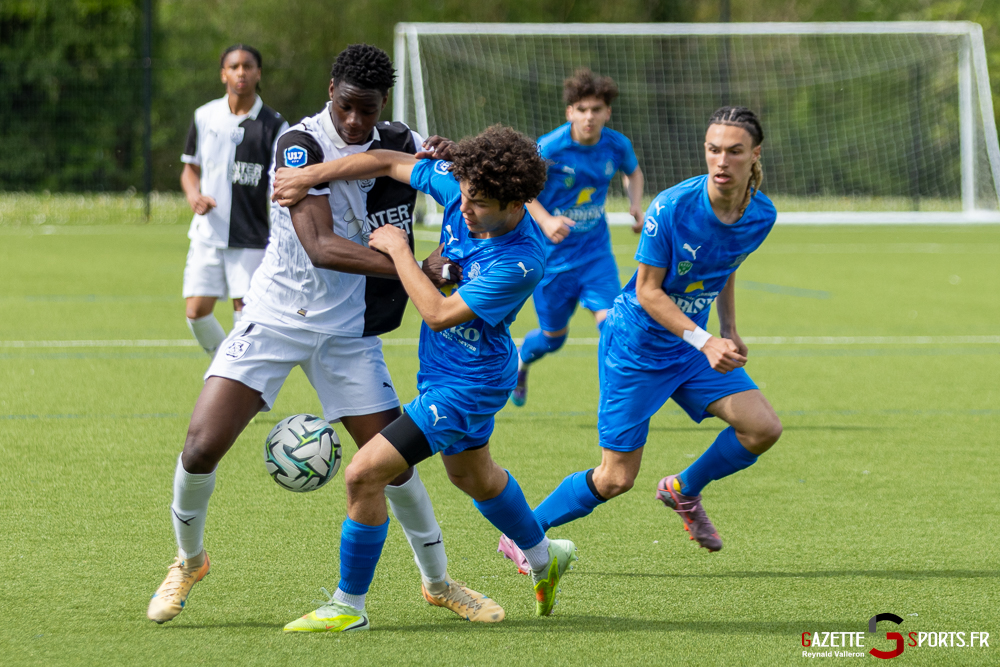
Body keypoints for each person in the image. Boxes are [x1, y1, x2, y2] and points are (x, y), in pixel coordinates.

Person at [148, 44, 504, 627]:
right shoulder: (299, 144)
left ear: (382, 103)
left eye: (369, 111)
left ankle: (439, 582)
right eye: (347, 108)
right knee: (201, 444)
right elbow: (320, 247)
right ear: (330, 91)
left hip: (347, 333)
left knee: (394, 464)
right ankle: (189, 561)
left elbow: (452, 172)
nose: (357, 122)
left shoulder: (399, 136)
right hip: (275, 317)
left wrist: (445, 150)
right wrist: (419, 269)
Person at [271, 125, 577, 633]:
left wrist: (397, 249)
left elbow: (436, 312)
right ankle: (546, 557)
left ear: (516, 202)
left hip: (469, 384)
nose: (465, 208)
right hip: (443, 370)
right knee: (474, 478)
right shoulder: (465, 188)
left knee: (363, 473)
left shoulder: (521, 260)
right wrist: (314, 174)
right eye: (466, 196)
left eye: (479, 204)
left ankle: (349, 605)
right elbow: (389, 162)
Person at [498, 107, 781, 572]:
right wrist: (707, 340)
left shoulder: (761, 215)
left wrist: (729, 329)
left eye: (734, 151)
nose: (722, 161)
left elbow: (726, 267)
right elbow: (648, 292)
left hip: (691, 348)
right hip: (636, 346)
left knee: (762, 428)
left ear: (755, 155)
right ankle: (523, 532)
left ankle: (683, 489)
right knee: (615, 479)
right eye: (713, 150)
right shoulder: (671, 207)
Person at [512, 68, 644, 407]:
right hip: (552, 258)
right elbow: (523, 189)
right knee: (552, 339)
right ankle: (521, 360)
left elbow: (633, 172)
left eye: (596, 110)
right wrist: (545, 220)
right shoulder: (551, 147)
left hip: (595, 254)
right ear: (570, 112)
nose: (589, 117)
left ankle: (617, 403)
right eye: (582, 109)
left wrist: (635, 206)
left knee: (613, 325)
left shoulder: (617, 145)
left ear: (607, 113)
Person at [180, 44, 288, 356]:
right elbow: (189, 168)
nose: (241, 72)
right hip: (207, 233)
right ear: (223, 74)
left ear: (258, 73)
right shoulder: (204, 116)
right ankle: (224, 369)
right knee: (196, 313)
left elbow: (282, 180)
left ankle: (241, 384)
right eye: (234, 66)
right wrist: (194, 195)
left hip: (251, 237)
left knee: (247, 317)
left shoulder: (275, 126)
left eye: (248, 66)